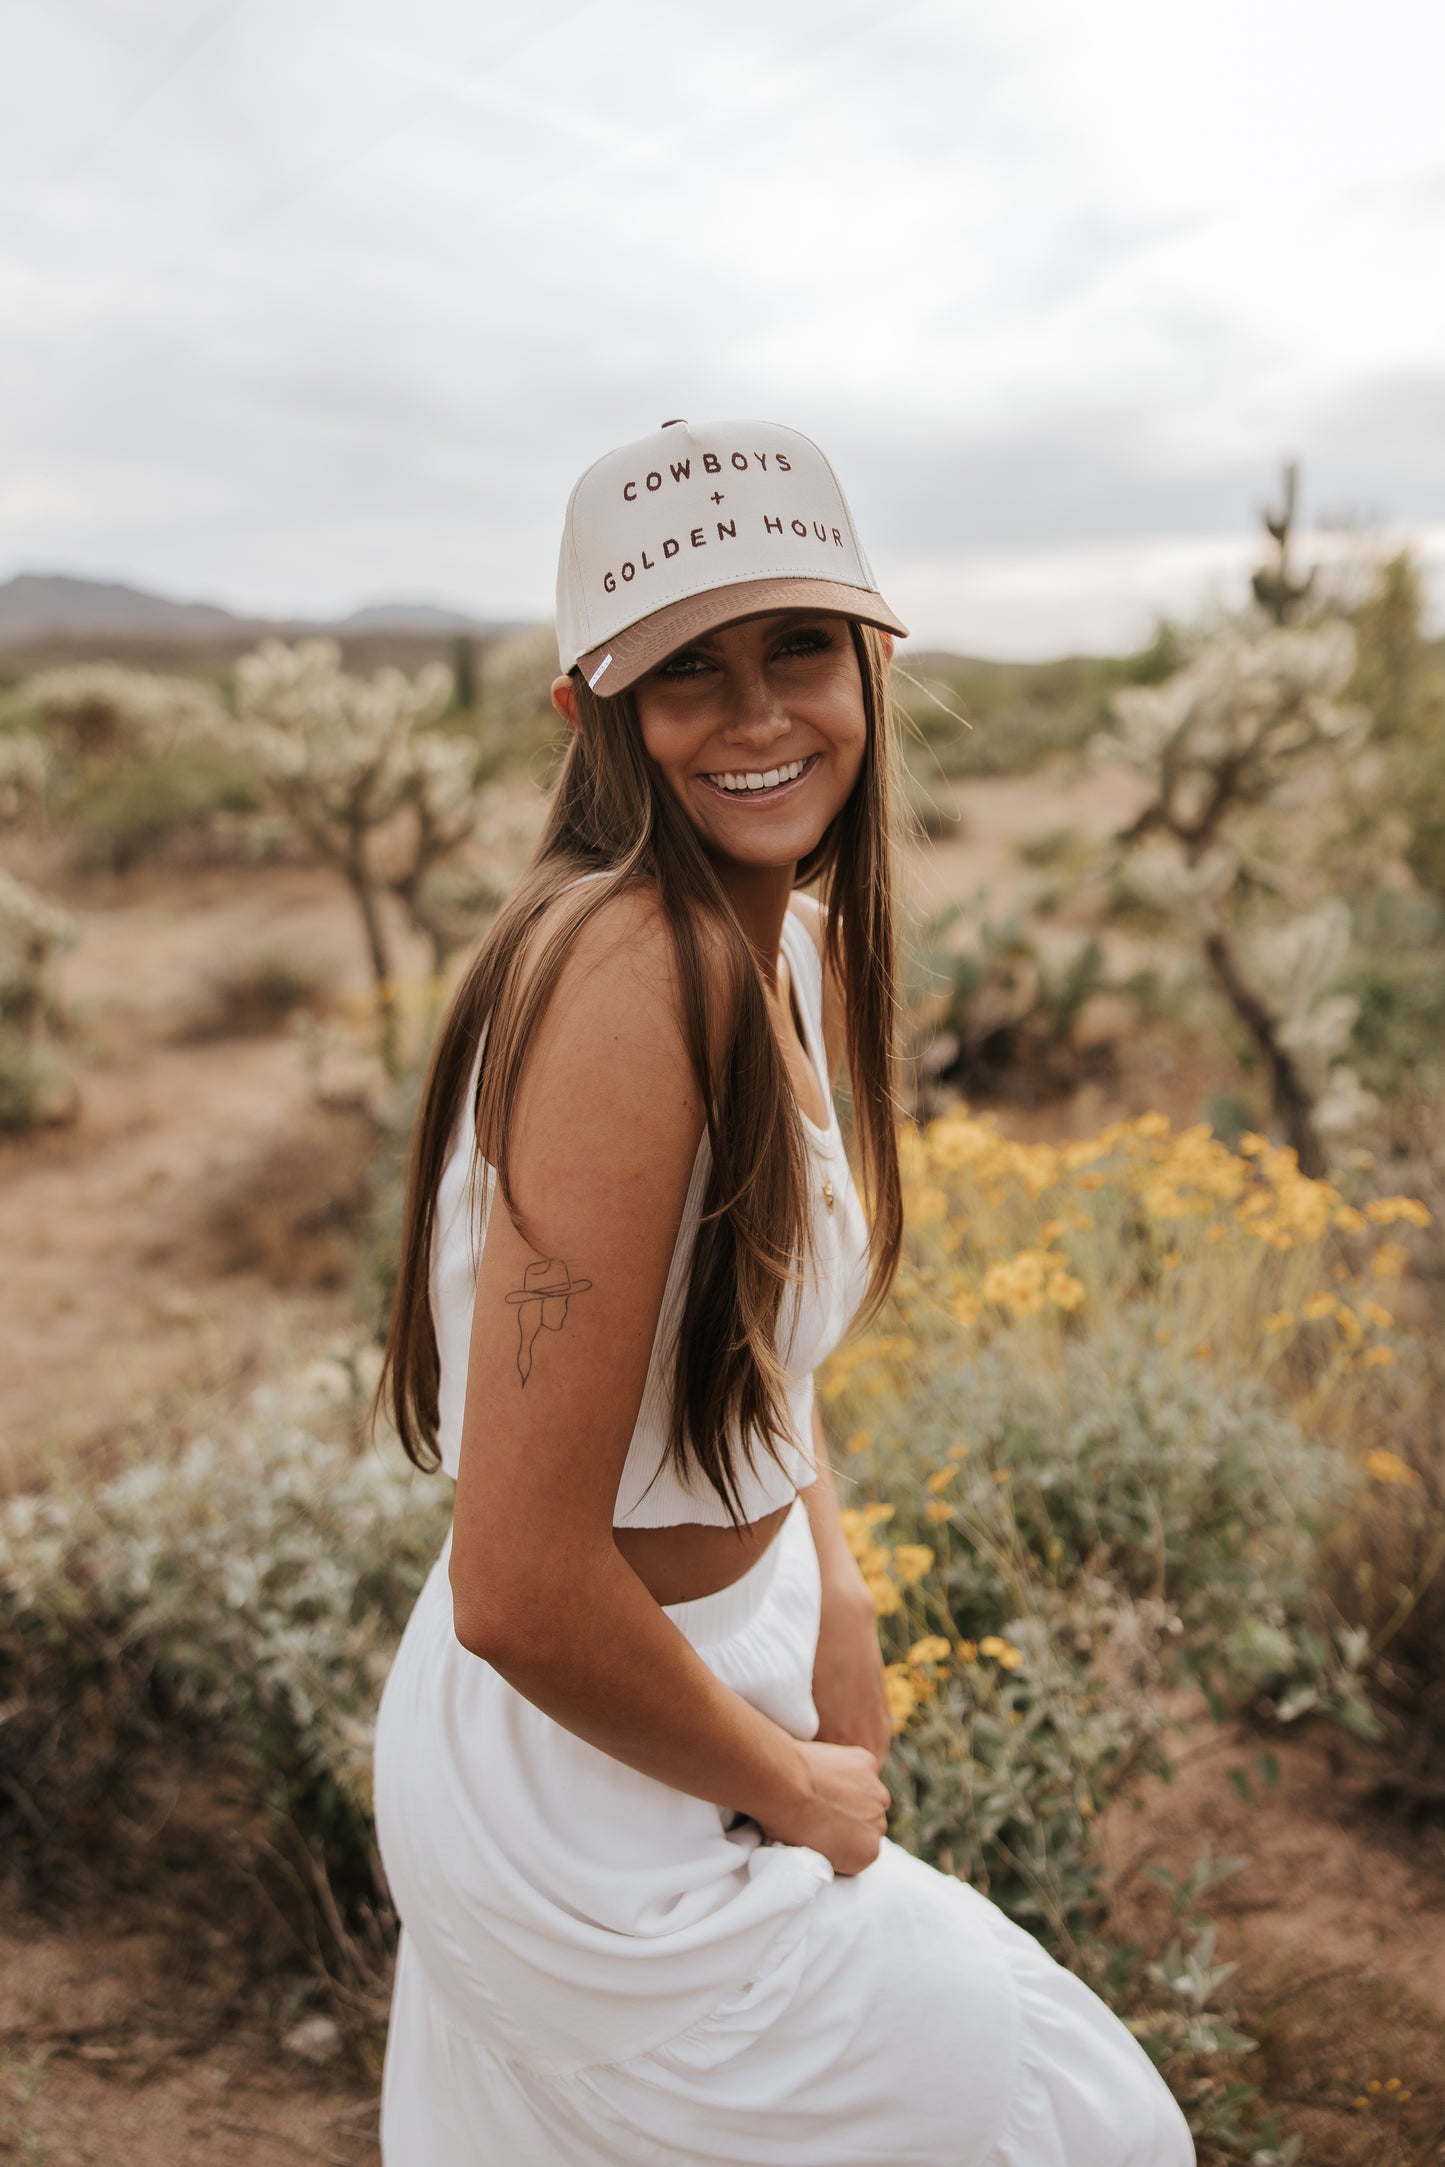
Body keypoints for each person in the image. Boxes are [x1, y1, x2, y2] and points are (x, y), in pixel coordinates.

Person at [371, 418, 1196, 2165]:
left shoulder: (785, 939)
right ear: (591, 713)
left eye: (796, 646)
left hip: (691, 1697)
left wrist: (832, 1593)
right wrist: (796, 1781)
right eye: (686, 670)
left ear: (872, 659)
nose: (755, 717)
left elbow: (756, 1366)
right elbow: (519, 1585)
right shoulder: (638, 968)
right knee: (1075, 2127)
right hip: (585, 1779)